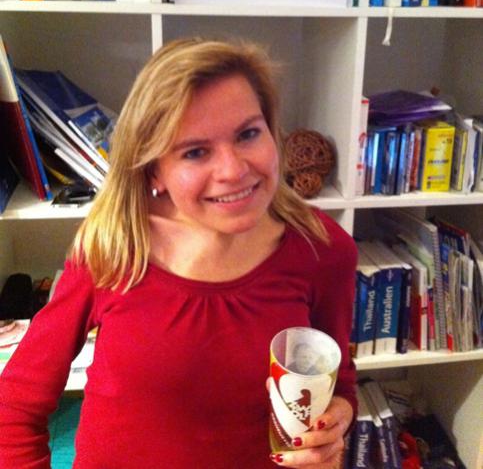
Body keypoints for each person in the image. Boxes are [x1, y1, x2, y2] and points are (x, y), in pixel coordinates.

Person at [0, 38, 358, 469]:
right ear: (154, 170)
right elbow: (15, 406)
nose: (233, 169)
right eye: (195, 151)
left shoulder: (323, 249)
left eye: (248, 133)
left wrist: (336, 423)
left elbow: (340, 383)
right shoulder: (116, 246)